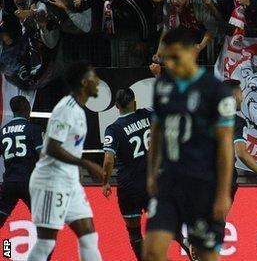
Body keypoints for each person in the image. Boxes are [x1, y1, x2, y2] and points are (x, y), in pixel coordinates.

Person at [143, 28, 236, 261]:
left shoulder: (216, 91)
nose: (170, 64)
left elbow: (226, 145)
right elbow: (157, 132)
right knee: (153, 251)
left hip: (203, 185)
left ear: (192, 52)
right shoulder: (163, 86)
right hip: (170, 181)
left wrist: (223, 193)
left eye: (175, 57)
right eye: (167, 59)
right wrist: (152, 173)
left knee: (205, 256)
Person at [102, 88, 195, 261]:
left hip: (129, 187)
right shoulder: (146, 115)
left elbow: (108, 159)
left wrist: (106, 182)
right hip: (153, 182)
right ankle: (185, 242)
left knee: (134, 232)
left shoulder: (113, 130)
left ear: (116, 106)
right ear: (134, 103)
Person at [27, 62, 105, 261]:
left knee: (89, 236)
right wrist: (87, 164)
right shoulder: (66, 108)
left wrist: (77, 173)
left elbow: (71, 148)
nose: (97, 82)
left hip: (69, 182)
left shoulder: (79, 110)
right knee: (46, 243)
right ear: (83, 82)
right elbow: (52, 147)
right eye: (94, 78)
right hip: (50, 181)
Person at [222, 79, 257, 200]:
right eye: (240, 93)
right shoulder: (236, 122)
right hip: (223, 179)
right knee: (218, 217)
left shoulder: (205, 117)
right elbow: (242, 153)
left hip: (200, 177)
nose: (242, 99)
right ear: (233, 95)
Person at [0, 96, 43, 227]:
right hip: (29, 182)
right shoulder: (33, 129)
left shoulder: (2, 132)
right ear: (27, 108)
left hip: (9, 182)